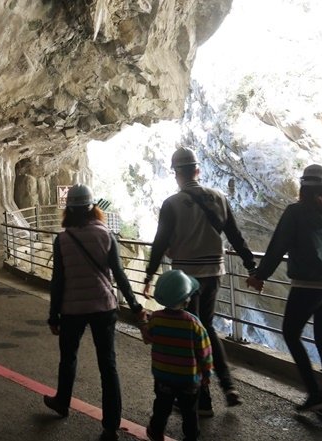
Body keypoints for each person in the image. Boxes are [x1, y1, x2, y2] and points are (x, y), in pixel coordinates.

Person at [142, 147, 256, 417]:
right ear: (197, 170)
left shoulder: (172, 204)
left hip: (186, 279)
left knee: (191, 334)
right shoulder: (219, 198)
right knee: (206, 327)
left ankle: (202, 400)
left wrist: (149, 275)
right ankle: (227, 385)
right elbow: (236, 237)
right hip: (214, 273)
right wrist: (252, 266)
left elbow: (160, 243)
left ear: (176, 174)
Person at [246, 164, 322, 428]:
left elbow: (277, 247)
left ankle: (316, 394)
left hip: (307, 286)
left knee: (291, 333)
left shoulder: (295, 212)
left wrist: (259, 276)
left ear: (302, 188)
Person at [44, 184, 146, 441]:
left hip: (72, 309)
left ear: (69, 210)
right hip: (103, 307)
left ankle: (62, 402)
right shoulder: (106, 234)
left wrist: (53, 315)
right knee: (108, 366)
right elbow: (119, 276)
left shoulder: (63, 239)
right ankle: (110, 427)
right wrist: (135, 306)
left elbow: (58, 281)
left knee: (68, 359)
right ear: (93, 208)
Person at [142, 269, 213, 441]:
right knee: (189, 411)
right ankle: (191, 436)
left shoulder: (156, 319)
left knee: (161, 406)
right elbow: (205, 351)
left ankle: (156, 431)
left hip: (163, 376)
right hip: (188, 379)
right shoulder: (193, 323)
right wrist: (206, 373)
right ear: (186, 299)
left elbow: (148, 338)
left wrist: (144, 322)